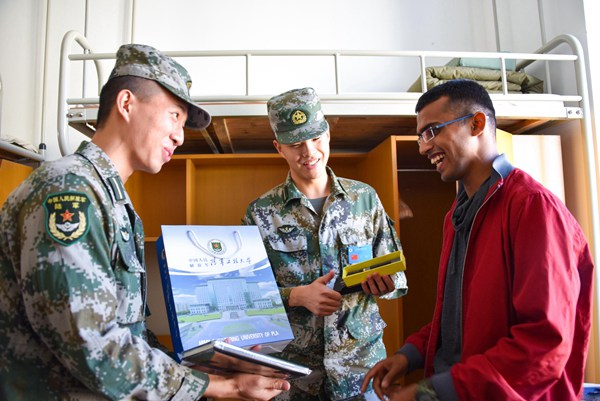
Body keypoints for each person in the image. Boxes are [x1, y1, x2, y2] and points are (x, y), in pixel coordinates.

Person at [0, 43, 290, 400]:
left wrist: (194, 367)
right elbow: (89, 341)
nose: (180, 136)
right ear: (126, 104)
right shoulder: (68, 190)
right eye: (174, 116)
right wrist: (215, 387)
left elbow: (127, 332)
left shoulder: (113, 201)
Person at [361, 79, 594, 401]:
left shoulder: (532, 207)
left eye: (432, 131)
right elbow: (456, 318)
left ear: (477, 123)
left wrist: (429, 393)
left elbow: (543, 342)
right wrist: (409, 355)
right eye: (420, 136)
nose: (423, 147)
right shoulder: (458, 213)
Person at [243, 87, 408, 401]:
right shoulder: (260, 213)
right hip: (293, 374)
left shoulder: (364, 199)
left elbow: (396, 273)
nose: (309, 152)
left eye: (316, 138)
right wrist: (296, 296)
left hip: (360, 367)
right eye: (295, 144)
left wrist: (385, 284)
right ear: (279, 148)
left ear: (328, 134)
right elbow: (247, 299)